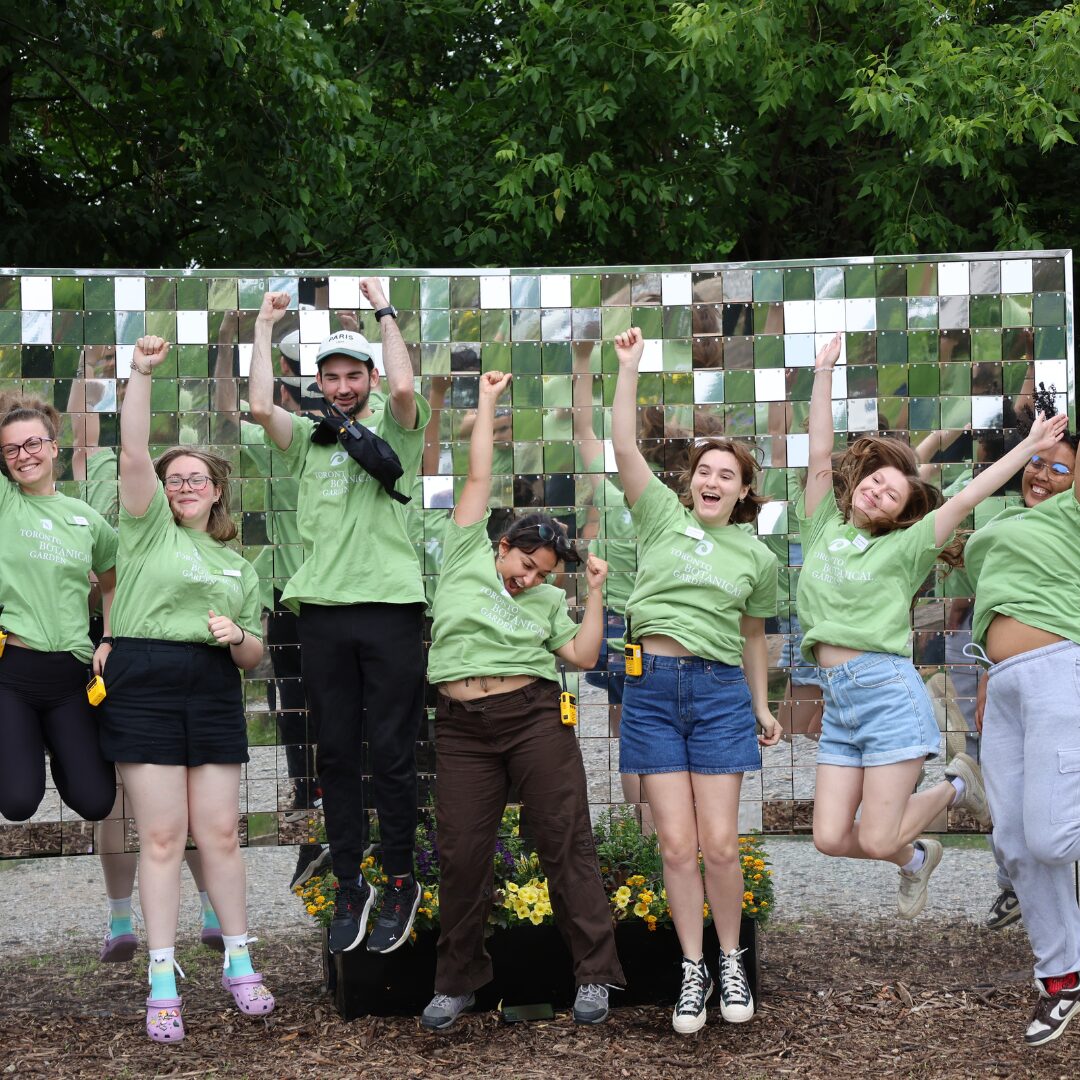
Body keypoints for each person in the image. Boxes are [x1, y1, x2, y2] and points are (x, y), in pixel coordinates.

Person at [799, 333, 1067, 923]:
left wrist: (1030, 447)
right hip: (839, 700)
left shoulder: (907, 548)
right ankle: (918, 856)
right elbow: (820, 452)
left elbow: (969, 496)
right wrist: (822, 374)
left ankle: (955, 785)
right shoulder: (822, 527)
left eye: (892, 493)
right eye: (875, 481)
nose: (877, 491)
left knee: (876, 836)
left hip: (886, 695)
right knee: (828, 837)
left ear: (903, 513)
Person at [420, 370, 625, 1031]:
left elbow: (583, 656)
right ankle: (456, 983)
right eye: (525, 566)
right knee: (462, 852)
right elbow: (478, 476)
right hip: (461, 727)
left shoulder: (546, 599)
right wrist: (485, 402)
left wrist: (594, 592)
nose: (531, 580)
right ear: (503, 545)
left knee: (565, 840)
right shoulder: (463, 553)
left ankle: (594, 975)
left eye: (543, 575)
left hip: (533, 717)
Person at [249, 282, 431, 955]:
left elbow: (405, 387)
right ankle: (351, 882)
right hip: (322, 611)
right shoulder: (308, 438)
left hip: (389, 607)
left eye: (355, 375)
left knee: (392, 751)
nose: (344, 386)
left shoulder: (397, 427)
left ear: (369, 379)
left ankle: (401, 877)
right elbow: (259, 406)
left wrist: (385, 312)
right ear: (319, 382)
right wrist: (264, 327)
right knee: (335, 754)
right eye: (332, 377)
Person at [99, 335, 271, 1043]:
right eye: (177, 478)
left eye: (199, 477)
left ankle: (240, 961)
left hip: (211, 686)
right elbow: (134, 452)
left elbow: (255, 656)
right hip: (144, 679)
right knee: (164, 836)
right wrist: (140, 374)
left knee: (221, 833)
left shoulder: (238, 566)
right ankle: (162, 977)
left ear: (218, 490)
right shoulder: (144, 531)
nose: (186, 486)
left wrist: (236, 635)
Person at [612, 327, 782, 1034]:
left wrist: (762, 706)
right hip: (650, 690)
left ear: (743, 491)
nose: (711, 481)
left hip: (717, 695)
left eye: (726, 475)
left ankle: (731, 958)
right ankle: (692, 969)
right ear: (691, 482)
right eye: (703, 471)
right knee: (675, 846)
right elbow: (624, 447)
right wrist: (629, 367)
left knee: (720, 844)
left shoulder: (756, 557)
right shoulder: (659, 517)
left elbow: (753, 636)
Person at [964, 434, 1080, 1046]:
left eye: (1061, 468)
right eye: (1037, 462)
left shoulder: (1072, 514)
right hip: (1004, 681)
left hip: (1059, 669)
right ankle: (1062, 977)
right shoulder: (1000, 519)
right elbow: (995, 603)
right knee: (1014, 842)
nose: (1043, 474)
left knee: (1052, 836)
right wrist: (988, 675)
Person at [0, 394, 117, 826]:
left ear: (53, 447)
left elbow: (113, 582)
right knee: (18, 802)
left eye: (32, 443)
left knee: (96, 801)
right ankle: (21, 743)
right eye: (11, 449)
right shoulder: (5, 502)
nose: (23, 456)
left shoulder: (84, 518)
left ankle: (49, 740)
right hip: (11, 673)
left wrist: (108, 638)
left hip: (70, 675)